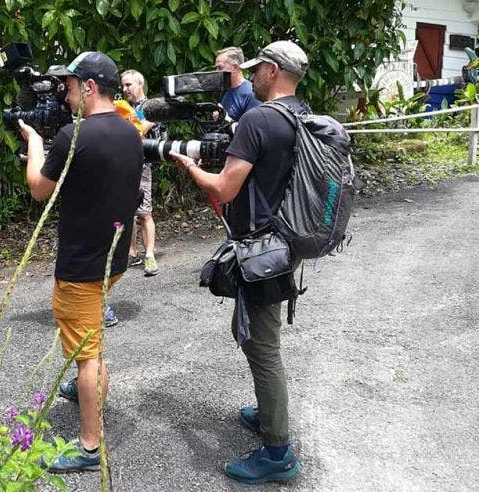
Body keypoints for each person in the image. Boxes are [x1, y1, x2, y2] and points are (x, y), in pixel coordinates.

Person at [169, 40, 309, 484]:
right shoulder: (299, 114)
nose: (253, 76)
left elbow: (225, 187)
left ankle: (277, 452)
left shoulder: (259, 118)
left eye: (257, 70)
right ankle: (268, 418)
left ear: (270, 71)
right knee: (254, 335)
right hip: (285, 241)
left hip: (262, 247)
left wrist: (188, 166)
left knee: (263, 348)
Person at [16, 51, 142, 473]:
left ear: (89, 87)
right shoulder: (130, 132)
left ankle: (90, 447)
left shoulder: (75, 136)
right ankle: (87, 390)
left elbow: (39, 189)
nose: (65, 97)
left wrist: (35, 145)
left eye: (69, 88)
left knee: (87, 354)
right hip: (114, 259)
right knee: (90, 340)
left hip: (81, 264)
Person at [120, 69, 161, 277]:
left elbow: (139, 129)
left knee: (144, 212)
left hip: (143, 163)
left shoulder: (150, 107)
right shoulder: (122, 106)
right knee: (127, 210)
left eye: (129, 85)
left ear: (140, 84)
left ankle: (150, 254)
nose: (125, 89)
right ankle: (131, 251)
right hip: (123, 162)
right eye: (123, 85)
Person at [216, 46, 261, 121]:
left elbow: (253, 128)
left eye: (220, 68)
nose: (217, 71)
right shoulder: (226, 90)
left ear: (235, 68)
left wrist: (226, 120)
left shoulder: (251, 94)